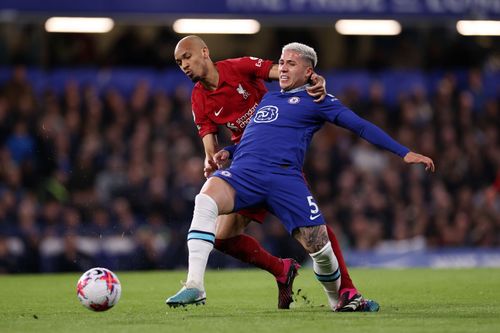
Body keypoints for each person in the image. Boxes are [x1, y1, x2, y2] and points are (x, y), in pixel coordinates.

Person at [166, 42, 435, 310]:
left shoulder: (314, 98)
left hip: (283, 176)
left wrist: (403, 152)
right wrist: (225, 151)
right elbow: (257, 134)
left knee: (319, 243)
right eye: (281, 63)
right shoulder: (267, 99)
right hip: (244, 171)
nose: (282, 68)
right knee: (207, 201)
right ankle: (195, 286)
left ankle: (341, 296)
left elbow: (360, 126)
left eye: (289, 64)